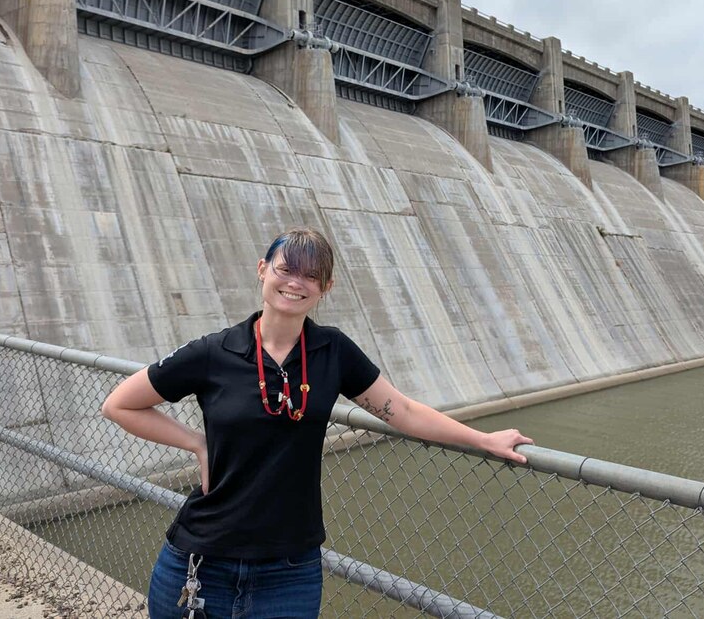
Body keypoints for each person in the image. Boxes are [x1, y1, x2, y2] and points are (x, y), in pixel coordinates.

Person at [102, 228, 532, 619]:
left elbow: (401, 410)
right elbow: (120, 405)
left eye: (311, 276)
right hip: (199, 562)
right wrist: (198, 444)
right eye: (286, 269)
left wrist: (482, 438)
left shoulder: (333, 351)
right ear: (262, 270)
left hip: (288, 573)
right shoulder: (214, 352)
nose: (296, 283)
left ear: (326, 287)